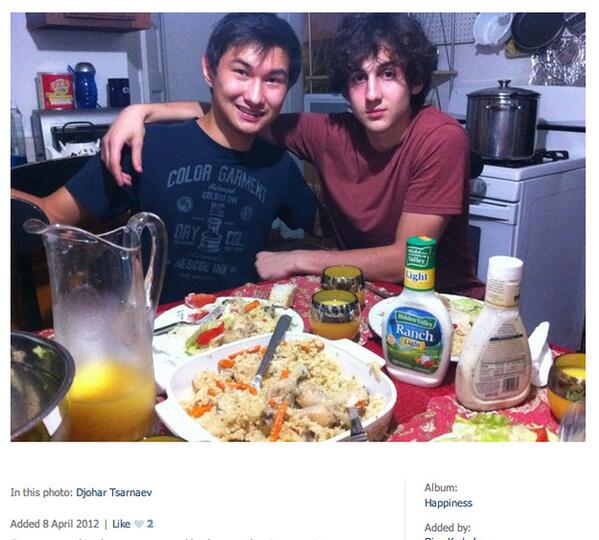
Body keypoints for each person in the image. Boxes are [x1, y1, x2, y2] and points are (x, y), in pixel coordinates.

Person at [101, 13, 485, 299]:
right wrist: (144, 111)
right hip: (367, 297)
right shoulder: (329, 133)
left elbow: (407, 259)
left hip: (444, 304)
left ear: (415, 80)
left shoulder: (440, 137)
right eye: (358, 78)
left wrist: (296, 259)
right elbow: (240, 112)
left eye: (387, 74)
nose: (371, 94)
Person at [12, 13, 317, 303]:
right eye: (241, 72)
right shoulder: (147, 146)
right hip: (155, 324)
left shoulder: (278, 166)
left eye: (273, 80)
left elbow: (321, 226)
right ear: (209, 70)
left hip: (241, 322)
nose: (254, 96)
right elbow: (51, 213)